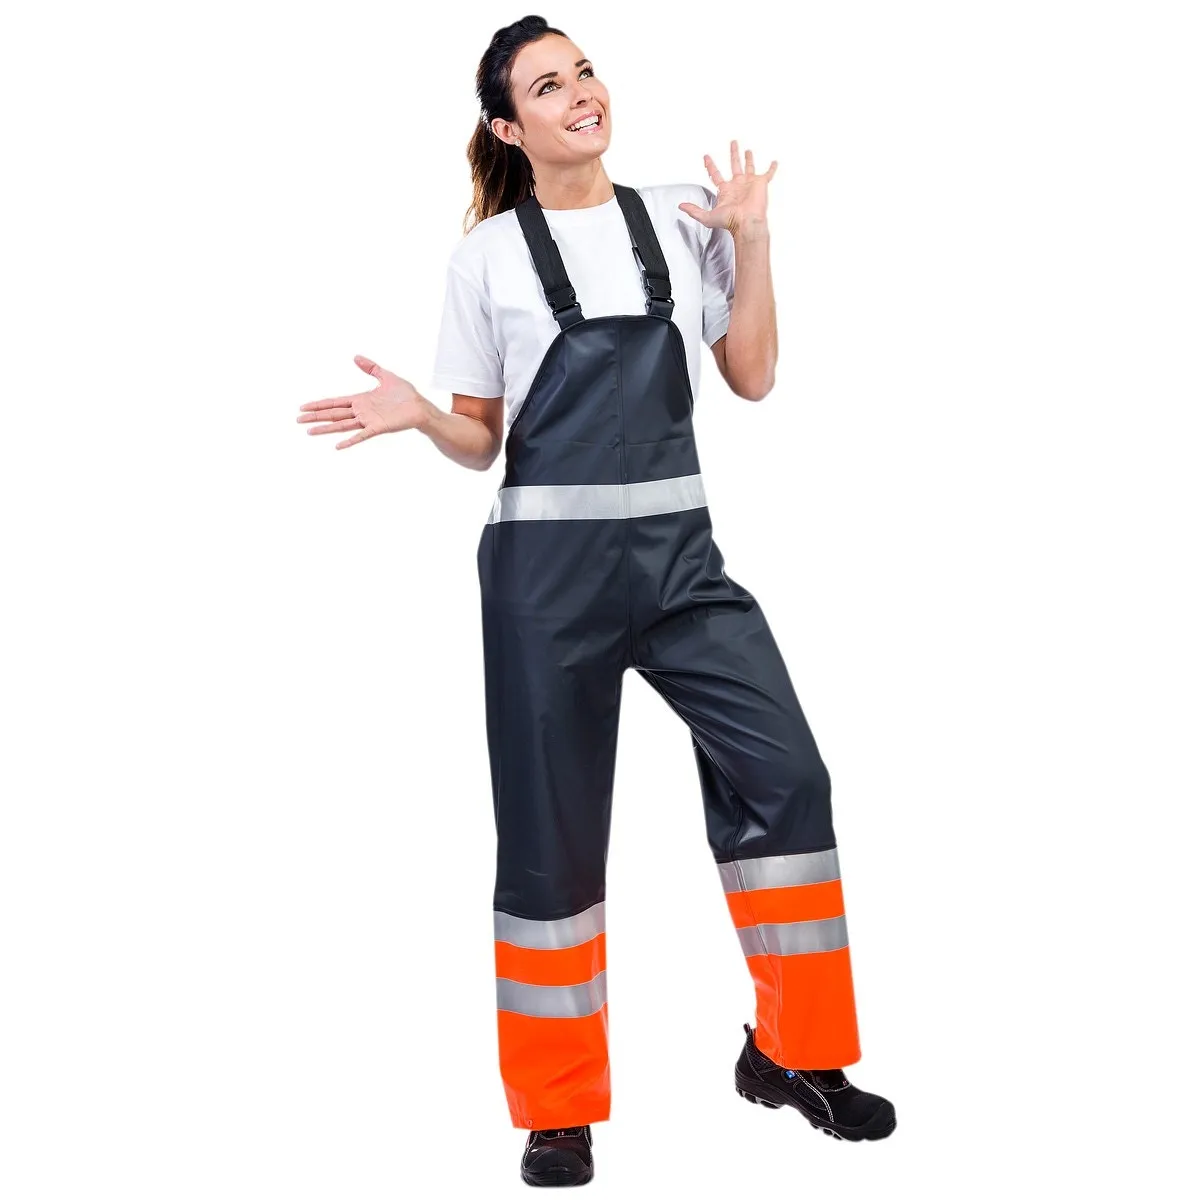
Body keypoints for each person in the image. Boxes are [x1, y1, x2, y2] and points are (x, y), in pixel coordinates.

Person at [298, 14, 896, 1187]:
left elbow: (753, 377)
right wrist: (422, 416)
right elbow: (482, 440)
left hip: (682, 569)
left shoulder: (679, 214)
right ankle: (557, 1108)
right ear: (506, 127)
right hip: (545, 582)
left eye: (584, 71)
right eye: (547, 86)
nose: (581, 92)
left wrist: (754, 241)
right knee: (551, 840)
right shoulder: (486, 258)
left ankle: (794, 1054)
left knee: (788, 779)